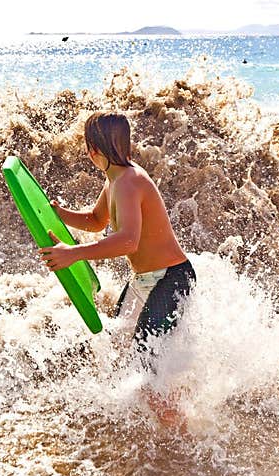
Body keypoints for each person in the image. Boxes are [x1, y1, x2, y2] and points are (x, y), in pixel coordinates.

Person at [38, 111, 196, 428]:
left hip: (171, 279)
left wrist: (74, 254)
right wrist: (58, 213)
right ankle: (166, 412)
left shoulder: (129, 183)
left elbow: (127, 242)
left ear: (93, 149)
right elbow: (97, 222)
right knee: (122, 347)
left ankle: (180, 436)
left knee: (143, 362)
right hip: (148, 279)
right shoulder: (116, 181)